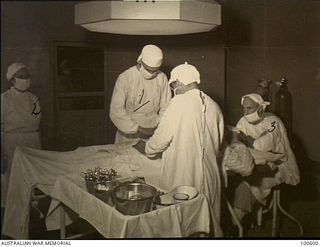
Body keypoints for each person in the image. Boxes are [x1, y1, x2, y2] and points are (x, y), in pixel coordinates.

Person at [133, 62, 225, 237]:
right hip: (212, 176)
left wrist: (147, 148)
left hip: (186, 178)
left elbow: (159, 141)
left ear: (180, 83)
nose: (174, 90)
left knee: (183, 227)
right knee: (208, 228)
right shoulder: (214, 106)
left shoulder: (179, 102)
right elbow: (219, 141)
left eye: (173, 85)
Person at [225, 93, 300, 231]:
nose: (245, 112)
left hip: (278, 164)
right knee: (232, 179)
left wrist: (241, 138)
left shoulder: (273, 122)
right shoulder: (243, 120)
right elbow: (236, 140)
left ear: (260, 108)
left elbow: (261, 145)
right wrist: (238, 138)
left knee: (245, 186)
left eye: (249, 108)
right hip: (256, 159)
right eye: (243, 108)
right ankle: (239, 214)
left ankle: (235, 225)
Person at [109, 44, 172, 144]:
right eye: (148, 69)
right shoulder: (126, 78)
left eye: (154, 70)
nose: (151, 73)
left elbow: (166, 107)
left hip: (153, 129)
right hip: (128, 131)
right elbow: (116, 111)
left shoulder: (161, 78)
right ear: (140, 61)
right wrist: (136, 129)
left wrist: (159, 127)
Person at [1, 63, 42, 207]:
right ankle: (9, 209)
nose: (25, 80)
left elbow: (36, 121)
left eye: (27, 77)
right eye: (21, 77)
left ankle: (32, 207)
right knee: (13, 176)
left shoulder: (34, 99)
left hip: (32, 140)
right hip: (12, 142)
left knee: (32, 174)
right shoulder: (4, 99)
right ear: (12, 79)